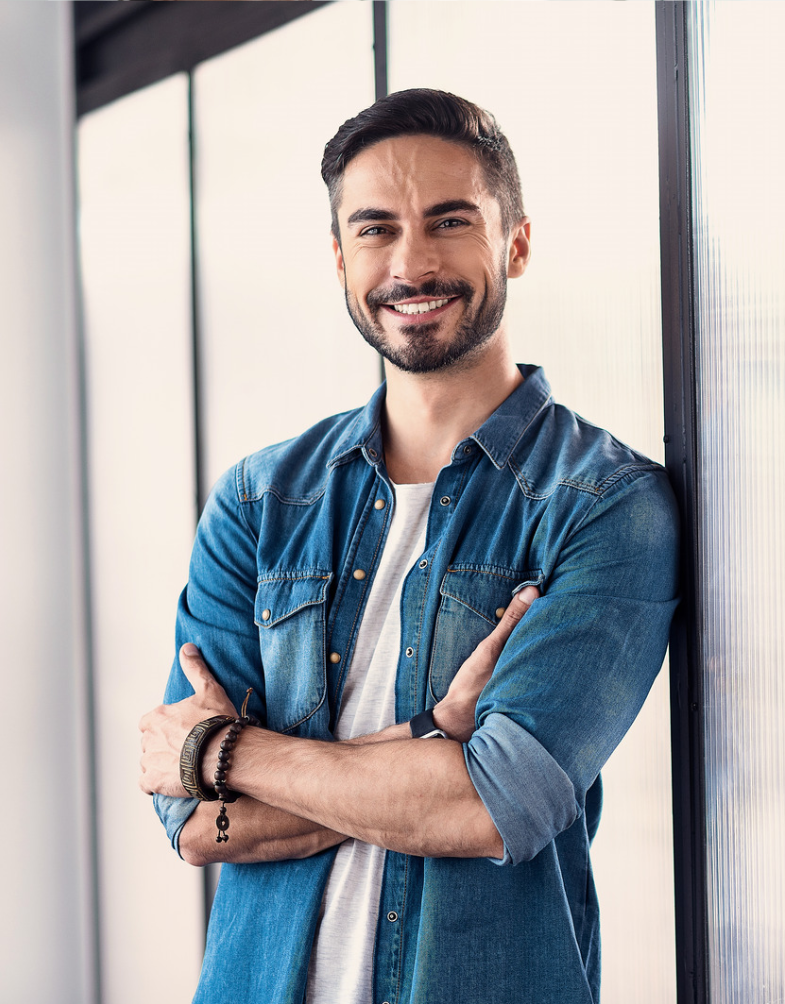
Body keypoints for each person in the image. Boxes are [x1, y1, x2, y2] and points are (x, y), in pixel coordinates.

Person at [139, 88, 679, 1004]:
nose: (412, 262)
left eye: (449, 221)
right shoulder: (258, 500)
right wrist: (426, 740)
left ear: (516, 242)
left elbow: (491, 805)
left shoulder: (604, 504)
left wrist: (228, 755)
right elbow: (192, 825)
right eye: (377, 228)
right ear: (341, 257)